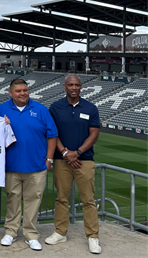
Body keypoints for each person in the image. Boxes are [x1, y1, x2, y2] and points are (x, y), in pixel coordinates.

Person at [0, 79, 58, 251]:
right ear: (10, 93)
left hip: (37, 166)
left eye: (25, 90)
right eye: (18, 91)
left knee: (33, 202)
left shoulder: (40, 109)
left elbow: (52, 135)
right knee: (12, 200)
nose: (22, 93)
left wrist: (49, 159)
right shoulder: (1, 109)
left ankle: (31, 235)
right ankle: (10, 232)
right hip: (11, 165)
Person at [46, 74, 102, 254]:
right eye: (70, 85)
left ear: (81, 87)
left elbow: (94, 134)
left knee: (88, 200)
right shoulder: (55, 107)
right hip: (62, 160)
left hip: (84, 161)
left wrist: (77, 152)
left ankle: (93, 237)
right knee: (61, 198)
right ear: (64, 86)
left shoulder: (90, 108)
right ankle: (60, 232)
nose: (74, 88)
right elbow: (53, 133)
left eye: (76, 85)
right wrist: (64, 152)